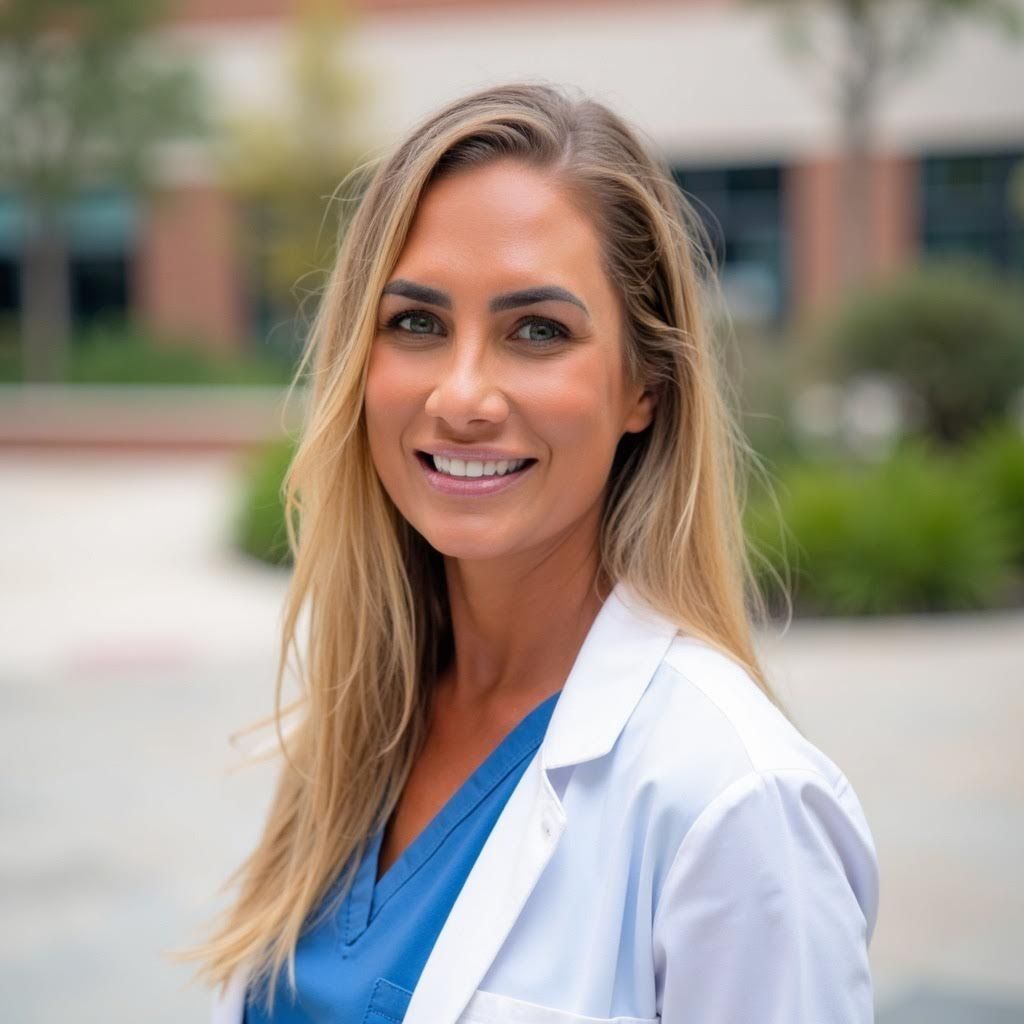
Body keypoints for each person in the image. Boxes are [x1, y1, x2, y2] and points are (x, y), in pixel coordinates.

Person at [182, 82, 879, 1023]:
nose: (462, 395)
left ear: (646, 387)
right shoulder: (364, 721)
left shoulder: (735, 803)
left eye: (537, 331)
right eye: (417, 323)